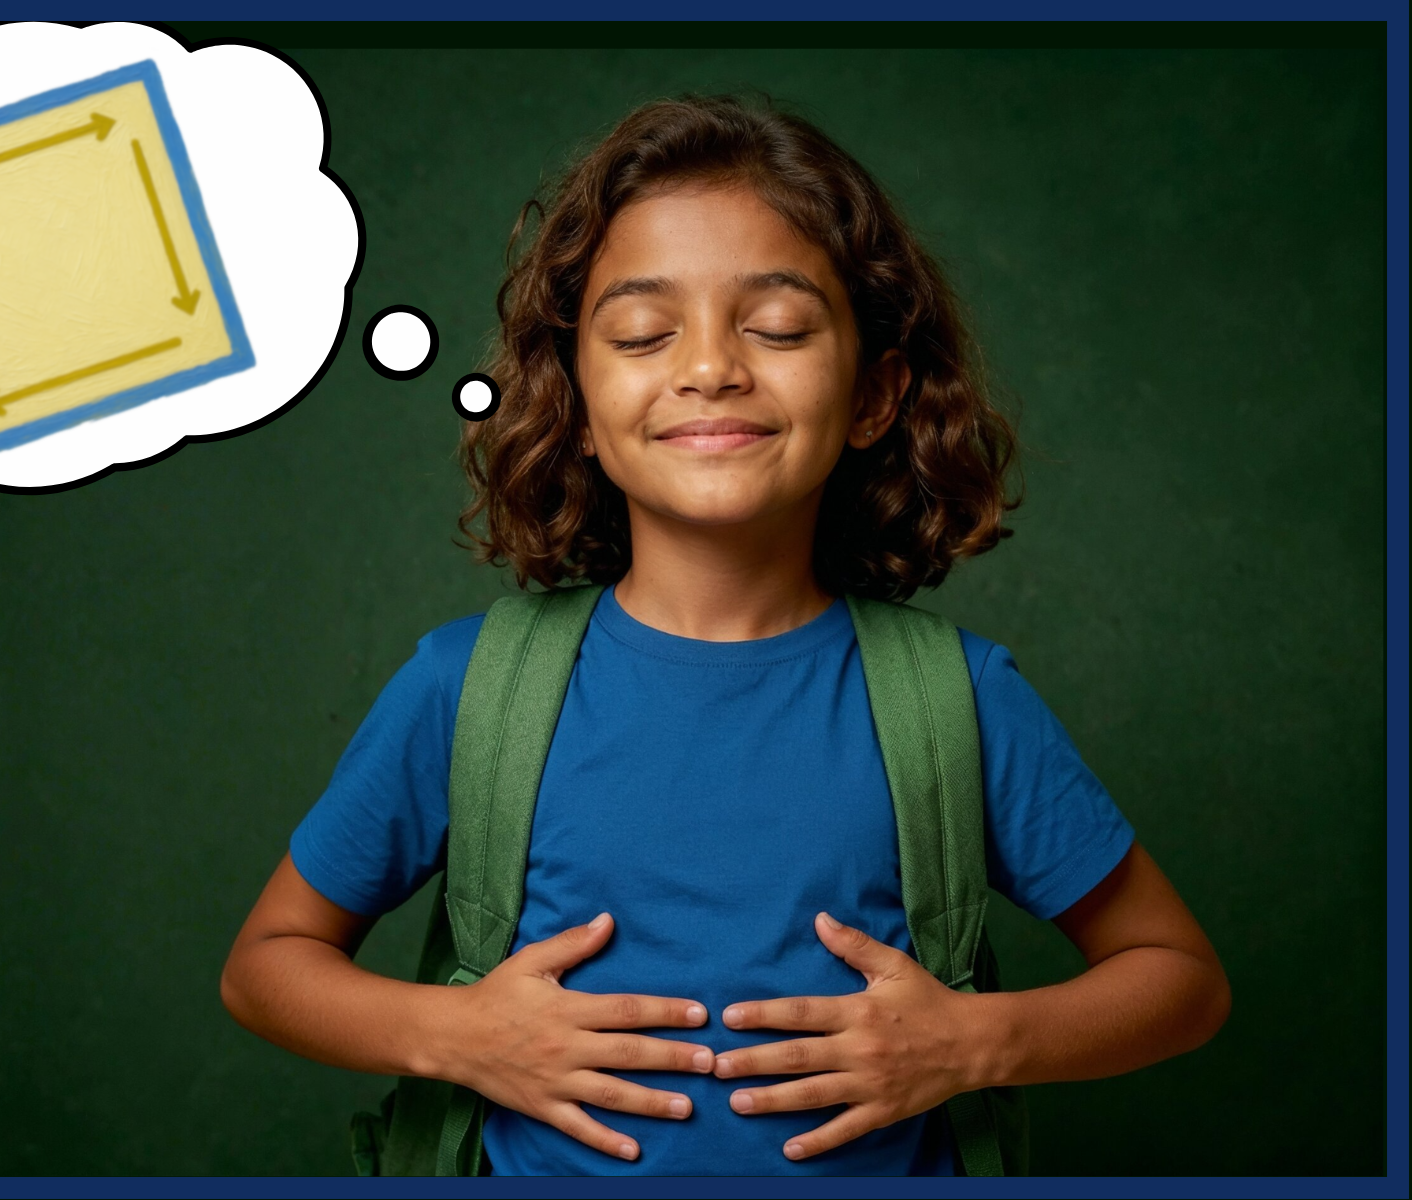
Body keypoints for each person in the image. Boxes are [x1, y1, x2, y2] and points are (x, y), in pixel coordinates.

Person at [219, 93, 1231, 1176]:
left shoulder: (959, 700)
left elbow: (1179, 979)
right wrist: (460, 1035)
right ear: (577, 402)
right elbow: (267, 967)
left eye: (779, 327)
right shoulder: (469, 688)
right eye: (645, 333)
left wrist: (976, 1044)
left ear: (876, 395)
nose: (710, 367)